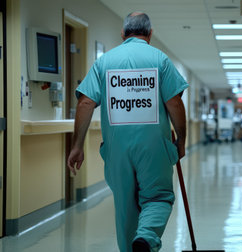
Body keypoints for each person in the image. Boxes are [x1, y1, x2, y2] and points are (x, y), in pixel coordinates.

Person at [67, 12, 189, 252]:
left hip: (117, 150)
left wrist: (77, 146)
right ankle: (145, 237)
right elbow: (174, 103)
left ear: (122, 34)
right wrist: (182, 140)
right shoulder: (160, 60)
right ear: (150, 34)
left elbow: (85, 103)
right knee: (158, 198)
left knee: (125, 207)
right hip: (154, 148)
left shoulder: (104, 62)